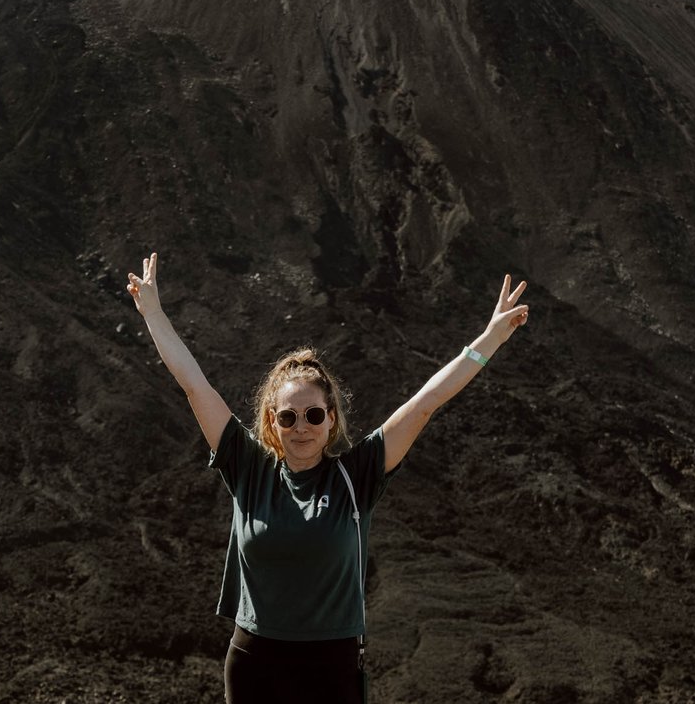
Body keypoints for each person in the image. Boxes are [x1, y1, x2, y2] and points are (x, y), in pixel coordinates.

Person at [126, 251, 530, 703]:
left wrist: (489, 339)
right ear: (271, 421)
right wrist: (154, 313)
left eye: (314, 414)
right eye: (289, 416)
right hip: (254, 661)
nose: (302, 426)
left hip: (332, 664)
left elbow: (424, 404)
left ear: (331, 419)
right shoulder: (248, 467)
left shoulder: (356, 475)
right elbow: (194, 385)